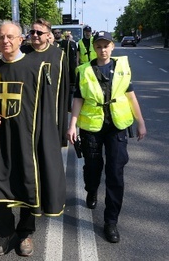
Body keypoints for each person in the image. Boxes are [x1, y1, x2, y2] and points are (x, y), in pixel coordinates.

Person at [0, 21, 66, 257]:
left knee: (29, 187)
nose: (5, 42)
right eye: (1, 38)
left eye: (11, 37)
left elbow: (46, 109)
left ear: (21, 39)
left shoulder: (37, 68)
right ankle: (5, 231)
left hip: (28, 141)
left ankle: (25, 233)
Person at [67, 31, 146, 243]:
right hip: (92, 125)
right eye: (99, 46)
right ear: (94, 48)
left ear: (112, 47)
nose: (103, 49)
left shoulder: (121, 67)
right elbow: (78, 98)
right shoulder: (83, 70)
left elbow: (130, 94)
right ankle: (91, 190)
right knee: (93, 167)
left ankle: (111, 221)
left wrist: (140, 122)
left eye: (106, 45)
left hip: (117, 125)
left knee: (115, 172)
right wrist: (72, 125)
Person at [21, 18, 70, 147]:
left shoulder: (58, 55)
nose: (35, 35)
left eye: (39, 33)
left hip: (49, 108)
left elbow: (63, 88)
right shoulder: (22, 52)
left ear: (48, 35)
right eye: (32, 32)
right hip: (26, 107)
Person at [53, 27, 78, 110]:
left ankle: (68, 105)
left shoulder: (67, 43)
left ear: (61, 34)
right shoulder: (51, 44)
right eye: (55, 33)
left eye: (58, 33)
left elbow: (73, 57)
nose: (57, 34)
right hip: (56, 69)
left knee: (69, 89)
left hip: (67, 69)